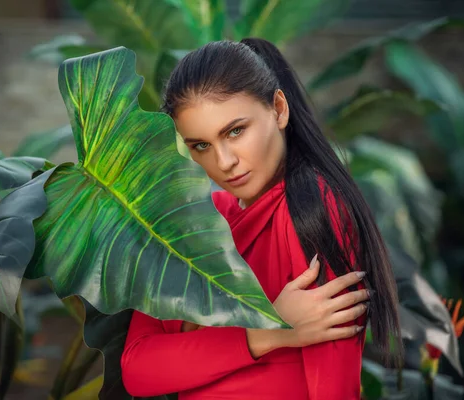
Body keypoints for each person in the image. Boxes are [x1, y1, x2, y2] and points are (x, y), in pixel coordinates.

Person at [121, 38, 401, 399]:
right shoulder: (185, 225)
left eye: (235, 131)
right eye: (200, 145)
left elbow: (334, 384)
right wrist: (270, 331)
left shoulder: (313, 210)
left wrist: (202, 344)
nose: (224, 162)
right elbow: (138, 370)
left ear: (279, 109)